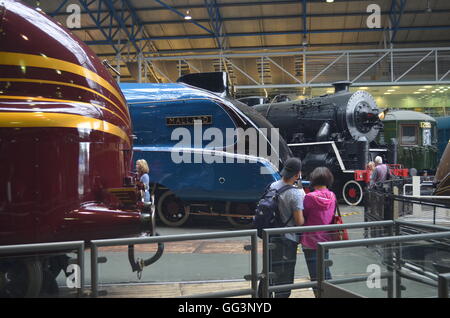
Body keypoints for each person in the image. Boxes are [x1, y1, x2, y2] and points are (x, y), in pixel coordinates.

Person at [264, 157, 305, 298]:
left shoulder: (272, 186)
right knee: (285, 276)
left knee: (269, 270)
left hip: (271, 236)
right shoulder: (296, 193)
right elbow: (299, 221)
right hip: (288, 239)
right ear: (297, 174)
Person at [300, 167, 336, 297]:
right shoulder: (332, 196)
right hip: (326, 239)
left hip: (310, 241)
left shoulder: (309, 197)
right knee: (325, 271)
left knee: (315, 275)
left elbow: (302, 217)